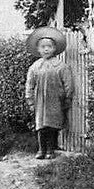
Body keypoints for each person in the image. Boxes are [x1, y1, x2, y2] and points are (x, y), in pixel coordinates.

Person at [24, 26, 74, 159]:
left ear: (55, 49)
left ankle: (51, 150)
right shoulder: (35, 67)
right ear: (38, 49)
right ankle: (41, 149)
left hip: (56, 100)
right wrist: (30, 100)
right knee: (41, 126)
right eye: (43, 47)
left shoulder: (61, 66)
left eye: (49, 46)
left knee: (53, 125)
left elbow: (68, 83)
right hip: (40, 100)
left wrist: (67, 97)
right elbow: (29, 84)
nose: (46, 49)